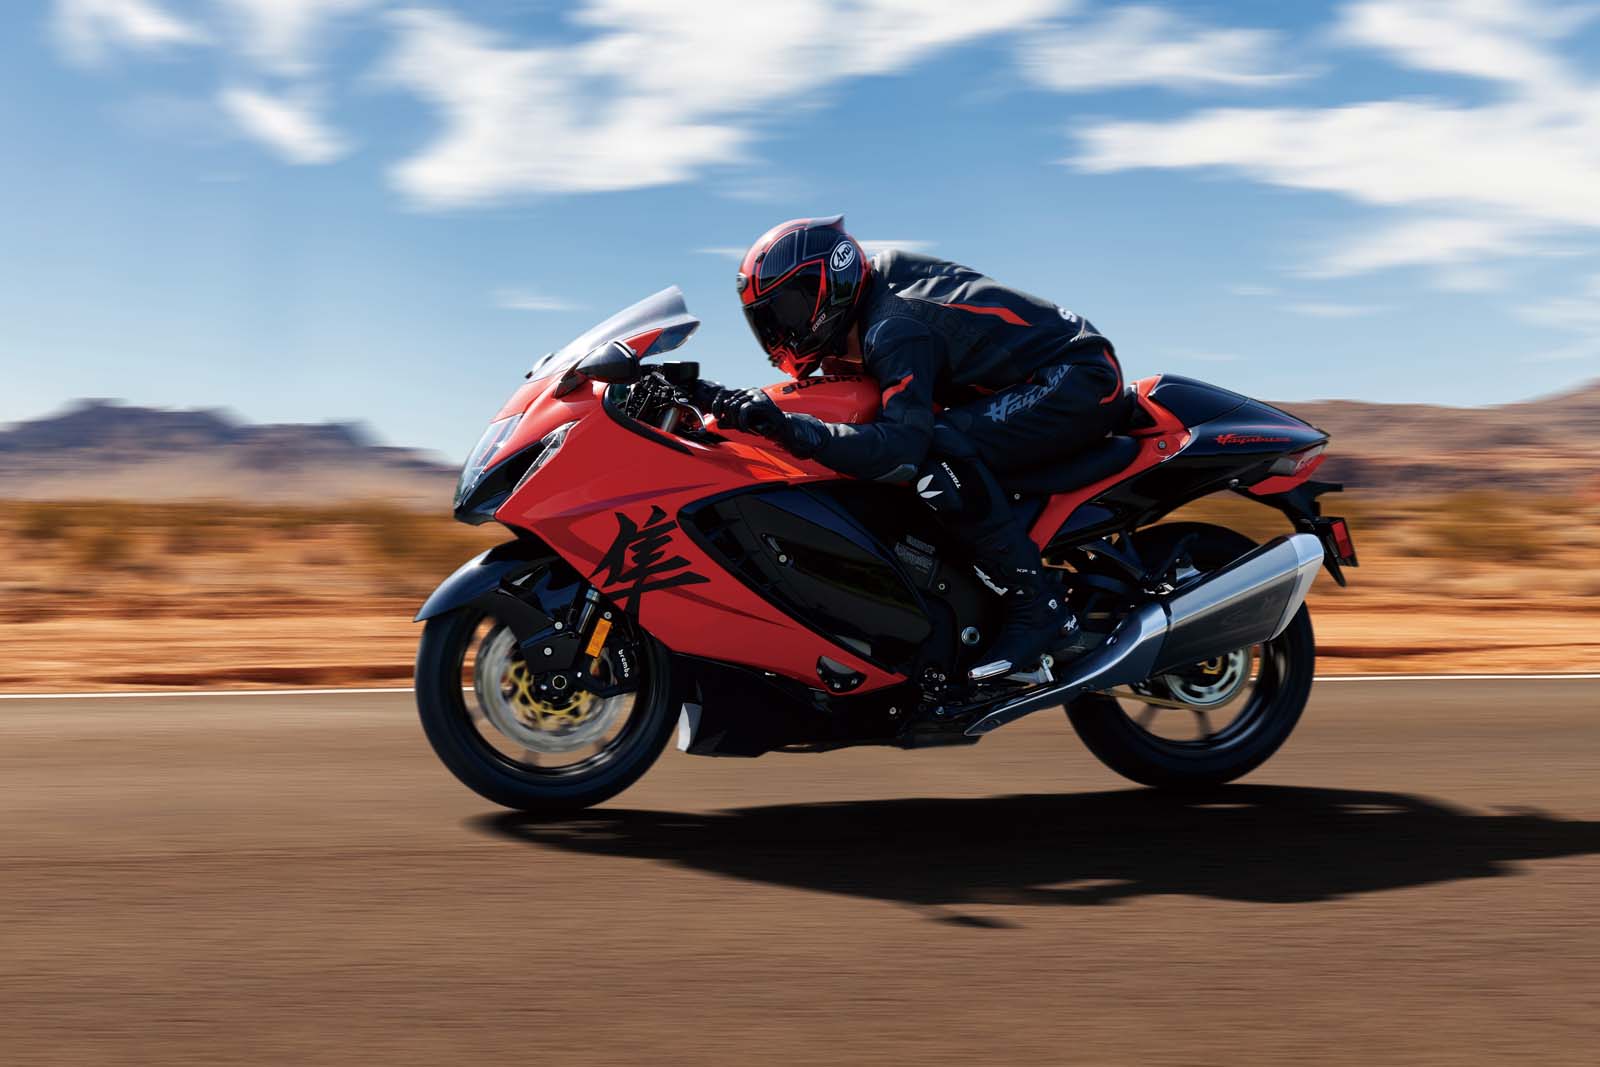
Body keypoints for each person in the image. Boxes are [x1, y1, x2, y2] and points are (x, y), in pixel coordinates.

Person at [705, 215, 1127, 683]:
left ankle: (1038, 609)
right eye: (766, 319)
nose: (779, 329)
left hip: (1077, 378)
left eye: (787, 309)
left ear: (829, 285)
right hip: (1029, 378)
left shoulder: (893, 327)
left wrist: (794, 431)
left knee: (936, 448)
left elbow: (901, 449)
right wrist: (716, 401)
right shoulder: (867, 307)